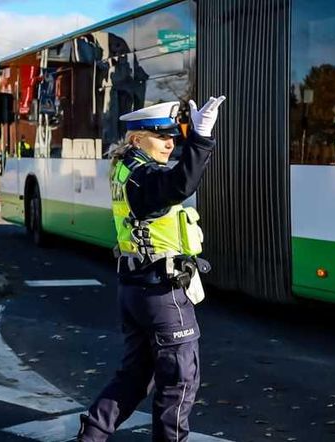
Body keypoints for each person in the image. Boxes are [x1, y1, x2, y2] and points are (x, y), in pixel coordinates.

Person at [78, 96, 226, 442]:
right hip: (161, 291)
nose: (170, 143)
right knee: (180, 379)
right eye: (161, 136)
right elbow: (179, 184)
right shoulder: (142, 175)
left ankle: (91, 437)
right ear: (136, 139)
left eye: (173, 136)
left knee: (135, 375)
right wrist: (201, 137)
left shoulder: (125, 169)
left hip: (135, 287)